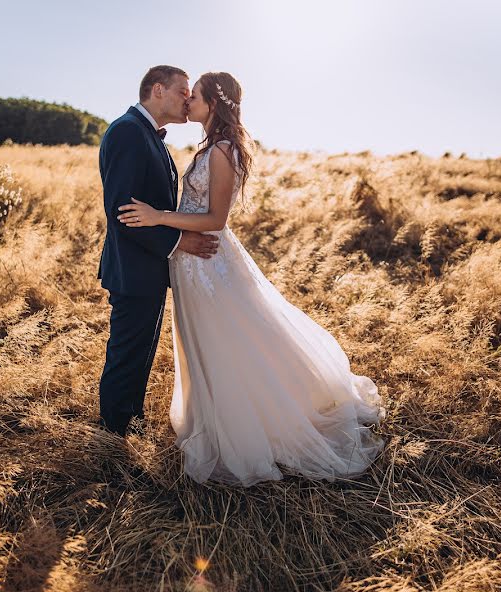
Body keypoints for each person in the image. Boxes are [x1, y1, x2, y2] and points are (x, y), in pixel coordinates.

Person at [118, 72, 386, 487]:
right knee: (207, 342)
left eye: (196, 97)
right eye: (185, 95)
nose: (188, 102)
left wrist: (158, 218)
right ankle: (214, 420)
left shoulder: (223, 149)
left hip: (208, 263)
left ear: (214, 104)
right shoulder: (209, 146)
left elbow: (216, 219)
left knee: (227, 341)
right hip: (190, 263)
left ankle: (245, 430)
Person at [97, 65, 219, 437]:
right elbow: (123, 212)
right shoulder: (128, 132)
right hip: (133, 268)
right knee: (127, 355)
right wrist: (180, 242)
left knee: (139, 354)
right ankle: (114, 438)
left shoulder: (151, 137)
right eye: (183, 90)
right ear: (158, 89)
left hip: (148, 268)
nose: (188, 98)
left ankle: (130, 424)